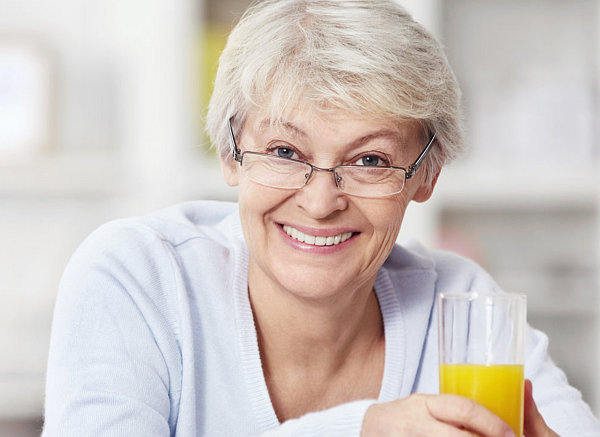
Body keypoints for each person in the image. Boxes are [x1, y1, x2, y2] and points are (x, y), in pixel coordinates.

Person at [42, 0, 600, 436]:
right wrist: (360, 430)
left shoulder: (458, 303)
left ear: (427, 176)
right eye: (285, 152)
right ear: (231, 153)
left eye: (370, 160)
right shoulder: (139, 277)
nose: (320, 200)